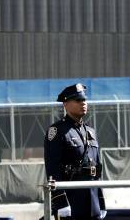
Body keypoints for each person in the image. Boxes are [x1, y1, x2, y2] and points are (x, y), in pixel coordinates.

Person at [44, 83, 106, 220]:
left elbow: (96, 170)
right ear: (65, 104)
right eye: (78, 100)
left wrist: (101, 201)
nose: (83, 103)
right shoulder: (57, 131)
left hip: (93, 202)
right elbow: (52, 169)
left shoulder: (91, 132)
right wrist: (61, 202)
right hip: (72, 203)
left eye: (84, 100)